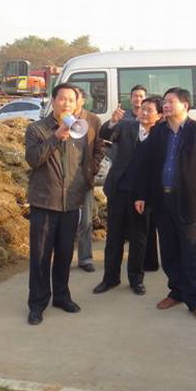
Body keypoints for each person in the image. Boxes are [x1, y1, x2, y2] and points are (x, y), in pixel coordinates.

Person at [135, 87, 196, 322]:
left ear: (185, 105)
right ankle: (176, 291)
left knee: (191, 252)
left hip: (189, 201)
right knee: (169, 250)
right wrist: (142, 195)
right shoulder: (158, 132)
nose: (166, 105)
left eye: (171, 101)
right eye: (164, 101)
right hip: (162, 200)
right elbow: (147, 166)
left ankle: (195, 300)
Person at [24, 83, 104, 325]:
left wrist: (85, 180)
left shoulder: (80, 131)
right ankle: (37, 303)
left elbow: (87, 161)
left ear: (77, 103)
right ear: (53, 101)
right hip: (45, 203)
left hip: (70, 204)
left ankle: (61, 296)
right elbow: (33, 159)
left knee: (65, 254)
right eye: (62, 99)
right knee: (40, 256)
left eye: (71, 100)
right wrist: (56, 137)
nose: (66, 104)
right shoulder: (37, 129)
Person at [94, 96, 163, 296]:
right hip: (119, 190)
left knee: (139, 239)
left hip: (143, 196)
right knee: (114, 237)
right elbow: (105, 134)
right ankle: (110, 278)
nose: (144, 112)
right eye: (143, 109)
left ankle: (136, 280)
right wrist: (112, 121)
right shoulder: (126, 126)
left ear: (159, 115)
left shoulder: (161, 135)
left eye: (149, 110)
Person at [73, 87, 106, 273]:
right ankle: (62, 257)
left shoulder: (93, 120)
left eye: (73, 98)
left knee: (85, 221)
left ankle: (85, 258)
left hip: (84, 177)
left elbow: (100, 147)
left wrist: (92, 167)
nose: (69, 102)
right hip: (61, 179)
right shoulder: (61, 119)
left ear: (82, 100)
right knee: (65, 221)